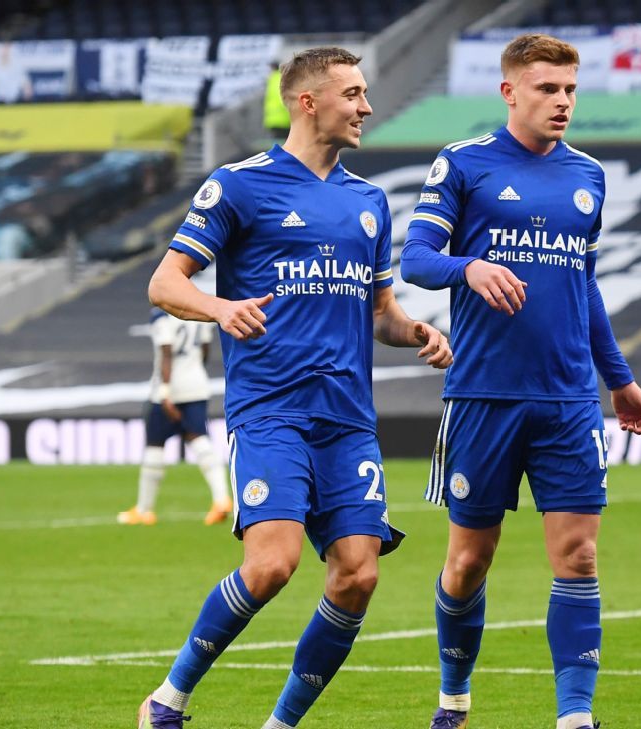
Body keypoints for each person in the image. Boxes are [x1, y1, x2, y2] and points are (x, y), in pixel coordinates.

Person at [136, 47, 452, 729]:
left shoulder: (369, 202)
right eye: (353, 94)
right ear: (308, 102)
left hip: (347, 420)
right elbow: (164, 283)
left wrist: (416, 331)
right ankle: (166, 700)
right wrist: (221, 308)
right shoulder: (239, 185)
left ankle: (280, 724)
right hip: (271, 411)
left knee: (359, 574)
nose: (366, 107)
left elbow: (380, 314)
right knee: (271, 566)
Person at [399, 33, 641, 729]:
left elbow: (585, 283)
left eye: (570, 89)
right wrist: (469, 267)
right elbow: (416, 259)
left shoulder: (589, 175)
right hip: (483, 395)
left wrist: (619, 379)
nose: (563, 101)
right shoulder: (464, 163)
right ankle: (454, 697)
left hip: (568, 397)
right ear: (509, 91)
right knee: (468, 561)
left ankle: (575, 716)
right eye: (548, 88)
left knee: (579, 555)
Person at [118, 308, 231, 526]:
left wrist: (165, 393)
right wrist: (193, 369)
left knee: (154, 446)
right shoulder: (199, 310)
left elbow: (166, 351)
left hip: (169, 390)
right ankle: (221, 499)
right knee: (199, 439)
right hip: (197, 385)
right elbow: (205, 351)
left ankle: (144, 510)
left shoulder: (162, 315)